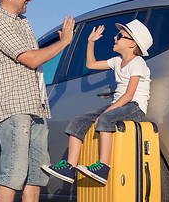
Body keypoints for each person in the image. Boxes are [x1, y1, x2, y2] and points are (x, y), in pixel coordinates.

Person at [0, 0, 75, 202]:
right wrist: (64, 42)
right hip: (15, 108)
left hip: (34, 105)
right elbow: (32, 58)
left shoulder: (22, 21)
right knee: (14, 171)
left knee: (37, 173)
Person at [41, 19, 153, 185]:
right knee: (78, 121)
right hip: (119, 105)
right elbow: (90, 64)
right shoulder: (116, 61)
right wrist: (90, 42)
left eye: (120, 36)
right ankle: (70, 167)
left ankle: (103, 167)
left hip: (134, 106)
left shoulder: (138, 63)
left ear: (132, 44)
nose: (115, 38)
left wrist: (108, 111)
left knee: (105, 118)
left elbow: (130, 94)